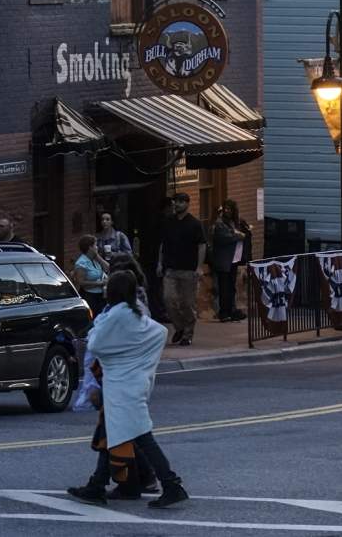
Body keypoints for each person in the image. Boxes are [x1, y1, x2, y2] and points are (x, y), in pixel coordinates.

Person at [68, 270, 188, 508]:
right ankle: (97, 485)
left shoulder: (117, 315)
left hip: (121, 386)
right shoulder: (135, 312)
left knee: (142, 437)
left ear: (111, 291)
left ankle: (172, 484)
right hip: (132, 384)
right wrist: (137, 361)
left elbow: (97, 344)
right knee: (112, 433)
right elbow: (159, 333)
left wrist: (117, 358)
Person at [158, 193, 206, 346]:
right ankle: (179, 327)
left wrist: (199, 267)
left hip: (188, 270)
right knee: (168, 300)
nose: (176, 205)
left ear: (187, 203)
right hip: (170, 269)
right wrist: (159, 263)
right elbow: (162, 245)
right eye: (175, 202)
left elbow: (202, 245)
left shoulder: (194, 224)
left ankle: (187, 334)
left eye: (179, 202)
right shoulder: (168, 222)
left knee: (187, 303)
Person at [211, 199, 248, 323]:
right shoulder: (220, 223)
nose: (227, 211)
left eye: (229, 209)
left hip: (234, 259)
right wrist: (239, 235)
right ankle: (224, 312)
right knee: (224, 286)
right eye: (225, 208)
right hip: (224, 260)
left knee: (231, 286)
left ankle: (232, 310)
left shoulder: (235, 222)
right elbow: (225, 237)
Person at [73, 235, 109, 317]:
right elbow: (81, 282)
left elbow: (107, 268)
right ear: (90, 247)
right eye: (95, 245)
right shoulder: (81, 263)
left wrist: (98, 257)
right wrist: (100, 283)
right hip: (90, 297)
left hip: (101, 295)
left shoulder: (95, 259)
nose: (97, 247)